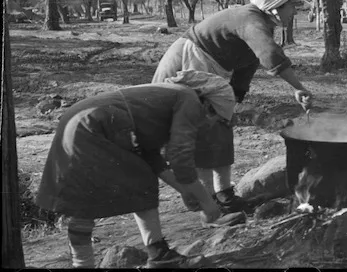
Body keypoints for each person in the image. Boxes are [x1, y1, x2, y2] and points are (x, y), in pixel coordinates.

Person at [35, 70, 244, 268]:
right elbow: (180, 157)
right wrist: (209, 206)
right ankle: (159, 256)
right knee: (133, 184)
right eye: (214, 119)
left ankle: (95, 263)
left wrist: (185, 191)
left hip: (80, 120)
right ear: (208, 105)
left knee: (85, 199)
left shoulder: (172, 96)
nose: (209, 126)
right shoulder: (189, 100)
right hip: (97, 123)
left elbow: (150, 155)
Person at [151, 0, 313, 214]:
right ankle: (208, 200)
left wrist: (236, 97)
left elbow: (249, 62)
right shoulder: (250, 19)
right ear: (276, 6)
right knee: (203, 131)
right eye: (291, 7)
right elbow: (269, 55)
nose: (294, 13)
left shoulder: (261, 23)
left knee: (220, 125)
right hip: (189, 62)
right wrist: (298, 87)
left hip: (209, 69)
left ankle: (224, 194)